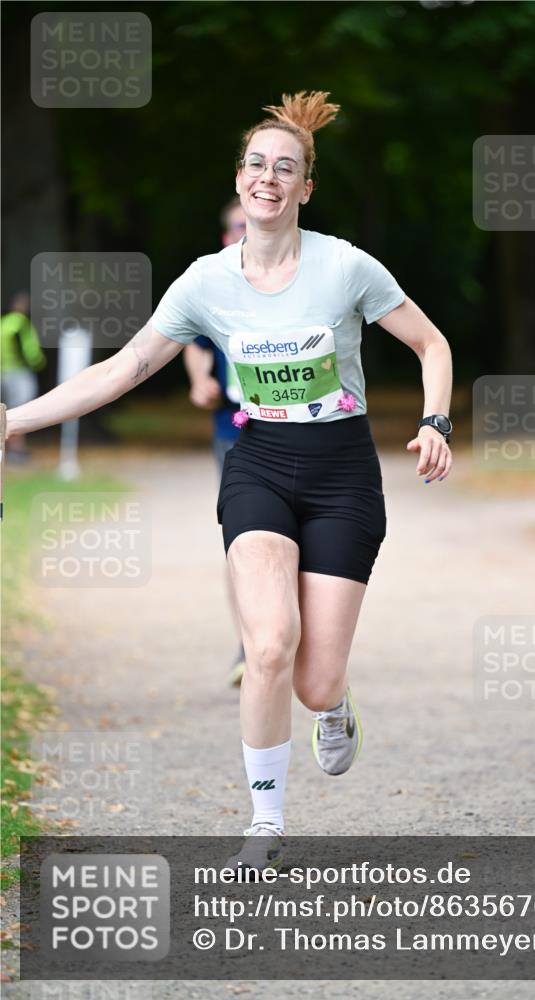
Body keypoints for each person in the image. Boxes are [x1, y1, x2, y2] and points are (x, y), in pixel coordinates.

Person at [5, 91, 453, 869]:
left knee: (314, 683)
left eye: (285, 168)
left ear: (305, 186)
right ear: (239, 177)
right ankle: (265, 823)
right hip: (259, 465)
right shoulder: (205, 282)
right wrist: (14, 421)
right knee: (269, 644)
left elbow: (432, 343)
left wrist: (434, 420)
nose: (267, 178)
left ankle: (335, 704)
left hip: (343, 474)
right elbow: (121, 370)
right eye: (256, 164)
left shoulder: (345, 266)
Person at [183, 196, 247, 686]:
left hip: (299, 431)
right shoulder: (215, 288)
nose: (247, 232)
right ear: (226, 237)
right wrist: (199, 379)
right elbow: (194, 342)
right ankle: (249, 645)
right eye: (238, 227)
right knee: (241, 543)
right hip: (233, 432)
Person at [0, 291, 47, 463]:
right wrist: (38, 363)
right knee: (21, 409)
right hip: (19, 372)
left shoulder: (4, 323)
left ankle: (12, 449)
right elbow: (27, 349)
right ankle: (17, 450)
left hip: (5, 372)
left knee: (10, 409)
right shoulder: (20, 323)